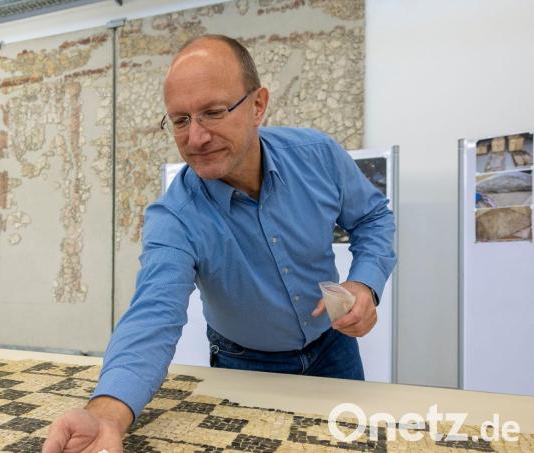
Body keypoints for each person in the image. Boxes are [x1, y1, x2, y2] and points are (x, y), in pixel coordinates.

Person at [42, 34, 396, 453]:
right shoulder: (175, 216)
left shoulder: (317, 156)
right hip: (242, 363)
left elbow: (373, 218)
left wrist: (364, 283)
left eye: (212, 113)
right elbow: (153, 315)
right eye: (180, 120)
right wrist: (105, 416)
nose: (195, 139)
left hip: (334, 350)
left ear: (258, 105)